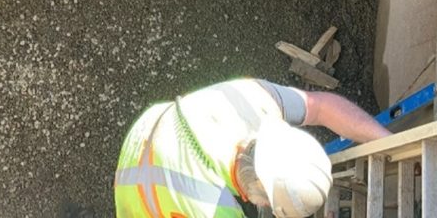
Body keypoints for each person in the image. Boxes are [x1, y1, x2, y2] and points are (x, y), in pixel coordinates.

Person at [114, 78, 391, 218]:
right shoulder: (212, 208)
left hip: (151, 125)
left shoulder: (256, 100)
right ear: (261, 192)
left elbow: (319, 106)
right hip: (137, 193)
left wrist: (384, 139)